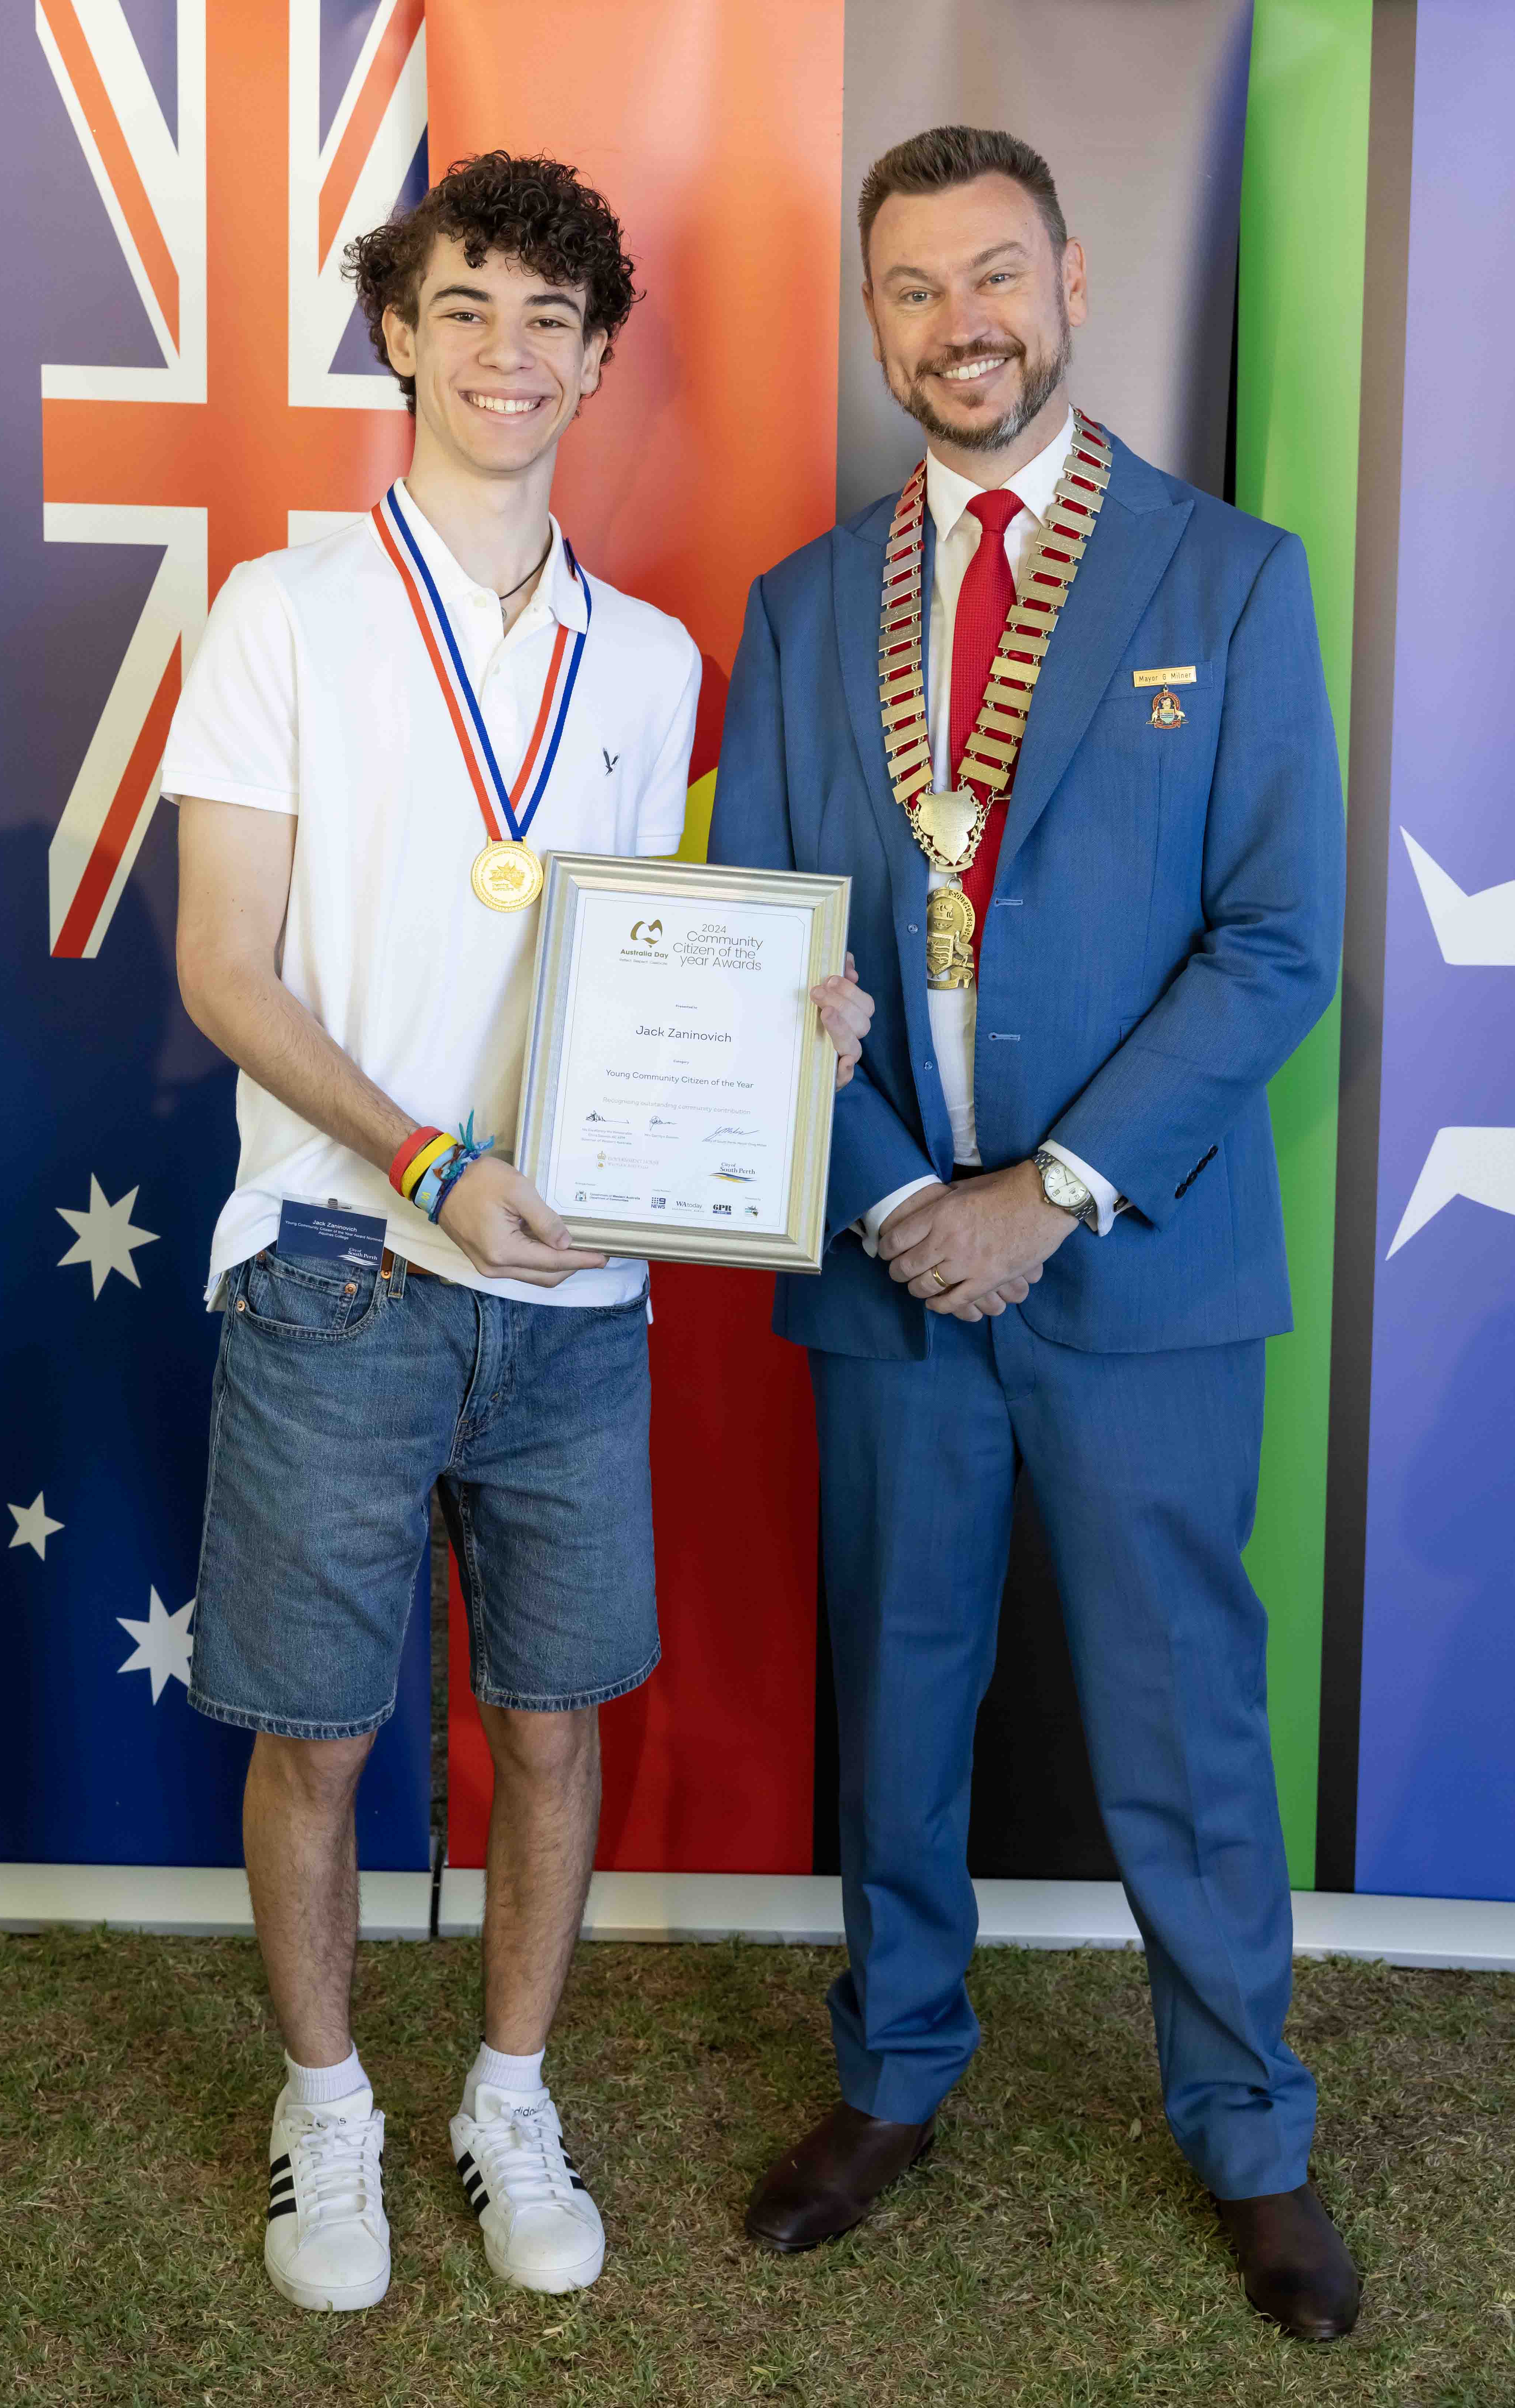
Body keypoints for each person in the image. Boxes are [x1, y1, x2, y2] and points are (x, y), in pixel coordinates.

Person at [167, 147, 871, 2314]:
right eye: (466, 306)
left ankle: (503, 2087)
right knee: (322, 1729)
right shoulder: (281, 613)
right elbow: (223, 966)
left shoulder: (650, 661)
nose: (508, 351)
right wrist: (421, 1160)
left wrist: (794, 1031)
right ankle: (328, 2108)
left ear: (595, 359)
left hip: (575, 1296)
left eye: (552, 318)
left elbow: (666, 966)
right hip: (340, 1265)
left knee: (551, 1718)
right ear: (398, 329)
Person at [709, 125, 1359, 2343]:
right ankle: (892, 2075)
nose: (959, 322)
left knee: (1183, 1713)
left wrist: (1043, 1194)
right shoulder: (807, 613)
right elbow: (770, 951)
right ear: (876, 319)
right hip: (895, 1253)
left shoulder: (1226, 580)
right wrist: (904, 1189)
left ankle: (1252, 2132)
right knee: (901, 1693)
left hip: (1134, 1259)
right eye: (912, 287)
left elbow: (1277, 947)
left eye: (997, 275)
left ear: (1074, 284)